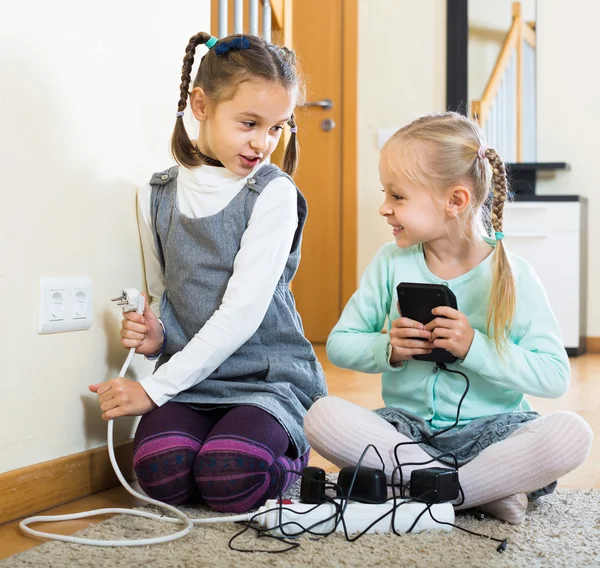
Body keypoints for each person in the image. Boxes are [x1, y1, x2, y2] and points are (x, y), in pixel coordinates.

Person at [304, 112, 592, 524]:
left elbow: (553, 376)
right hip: (408, 433)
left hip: (495, 432)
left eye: (398, 197)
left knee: (570, 433)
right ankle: (479, 490)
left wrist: (475, 347)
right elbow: (341, 343)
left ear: (455, 201)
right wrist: (389, 348)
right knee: (321, 416)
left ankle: (437, 487)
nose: (384, 208)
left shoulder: (513, 275)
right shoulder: (390, 262)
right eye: (385, 194)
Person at [89, 32, 327, 514]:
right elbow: (165, 298)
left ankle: (290, 458)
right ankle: (225, 447)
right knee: (162, 474)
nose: (263, 143)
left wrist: (151, 390)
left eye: (277, 128)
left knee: (231, 477)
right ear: (200, 104)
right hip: (191, 381)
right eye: (249, 123)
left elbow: (241, 315)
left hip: (266, 378)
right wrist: (154, 333)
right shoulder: (153, 196)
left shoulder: (272, 194)